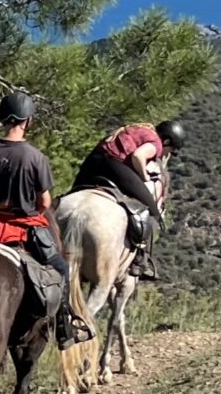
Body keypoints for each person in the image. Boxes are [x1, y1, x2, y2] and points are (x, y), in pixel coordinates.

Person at [0, 92, 78, 341]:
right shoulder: (36, 157)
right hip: (24, 230)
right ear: (28, 121)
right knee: (62, 269)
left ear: (2, 118)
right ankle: (64, 329)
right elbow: (45, 202)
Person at [74, 117, 186, 281]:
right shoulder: (156, 142)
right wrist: (144, 176)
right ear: (167, 140)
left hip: (94, 160)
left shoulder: (138, 130)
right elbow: (138, 156)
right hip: (114, 163)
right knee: (152, 211)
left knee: (73, 195)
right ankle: (141, 261)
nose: (167, 153)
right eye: (171, 150)